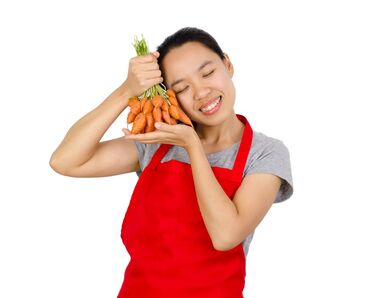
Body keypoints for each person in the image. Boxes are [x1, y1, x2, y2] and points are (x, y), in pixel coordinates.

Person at [49, 27, 294, 298]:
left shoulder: (265, 153)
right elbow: (66, 161)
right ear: (170, 97)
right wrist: (125, 91)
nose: (201, 92)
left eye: (208, 72)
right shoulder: (158, 142)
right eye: (182, 88)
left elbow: (226, 235)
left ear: (228, 64)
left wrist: (193, 146)